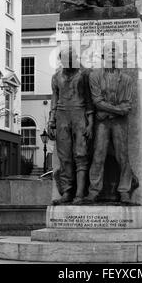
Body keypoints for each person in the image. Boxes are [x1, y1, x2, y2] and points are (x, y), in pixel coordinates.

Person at [84, 46, 138, 204]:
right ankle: (93, 191)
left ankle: (124, 191)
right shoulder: (94, 76)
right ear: (103, 56)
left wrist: (109, 111)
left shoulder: (127, 79)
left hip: (119, 123)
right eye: (109, 53)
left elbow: (127, 106)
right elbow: (96, 101)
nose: (113, 57)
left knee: (123, 156)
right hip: (102, 123)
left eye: (116, 54)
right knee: (98, 155)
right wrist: (116, 110)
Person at [48, 47, 94, 205]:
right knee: (64, 156)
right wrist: (51, 120)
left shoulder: (83, 75)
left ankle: (80, 193)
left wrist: (90, 123)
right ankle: (67, 191)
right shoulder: (56, 77)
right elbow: (54, 99)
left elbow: (89, 100)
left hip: (79, 114)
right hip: (62, 115)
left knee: (81, 154)